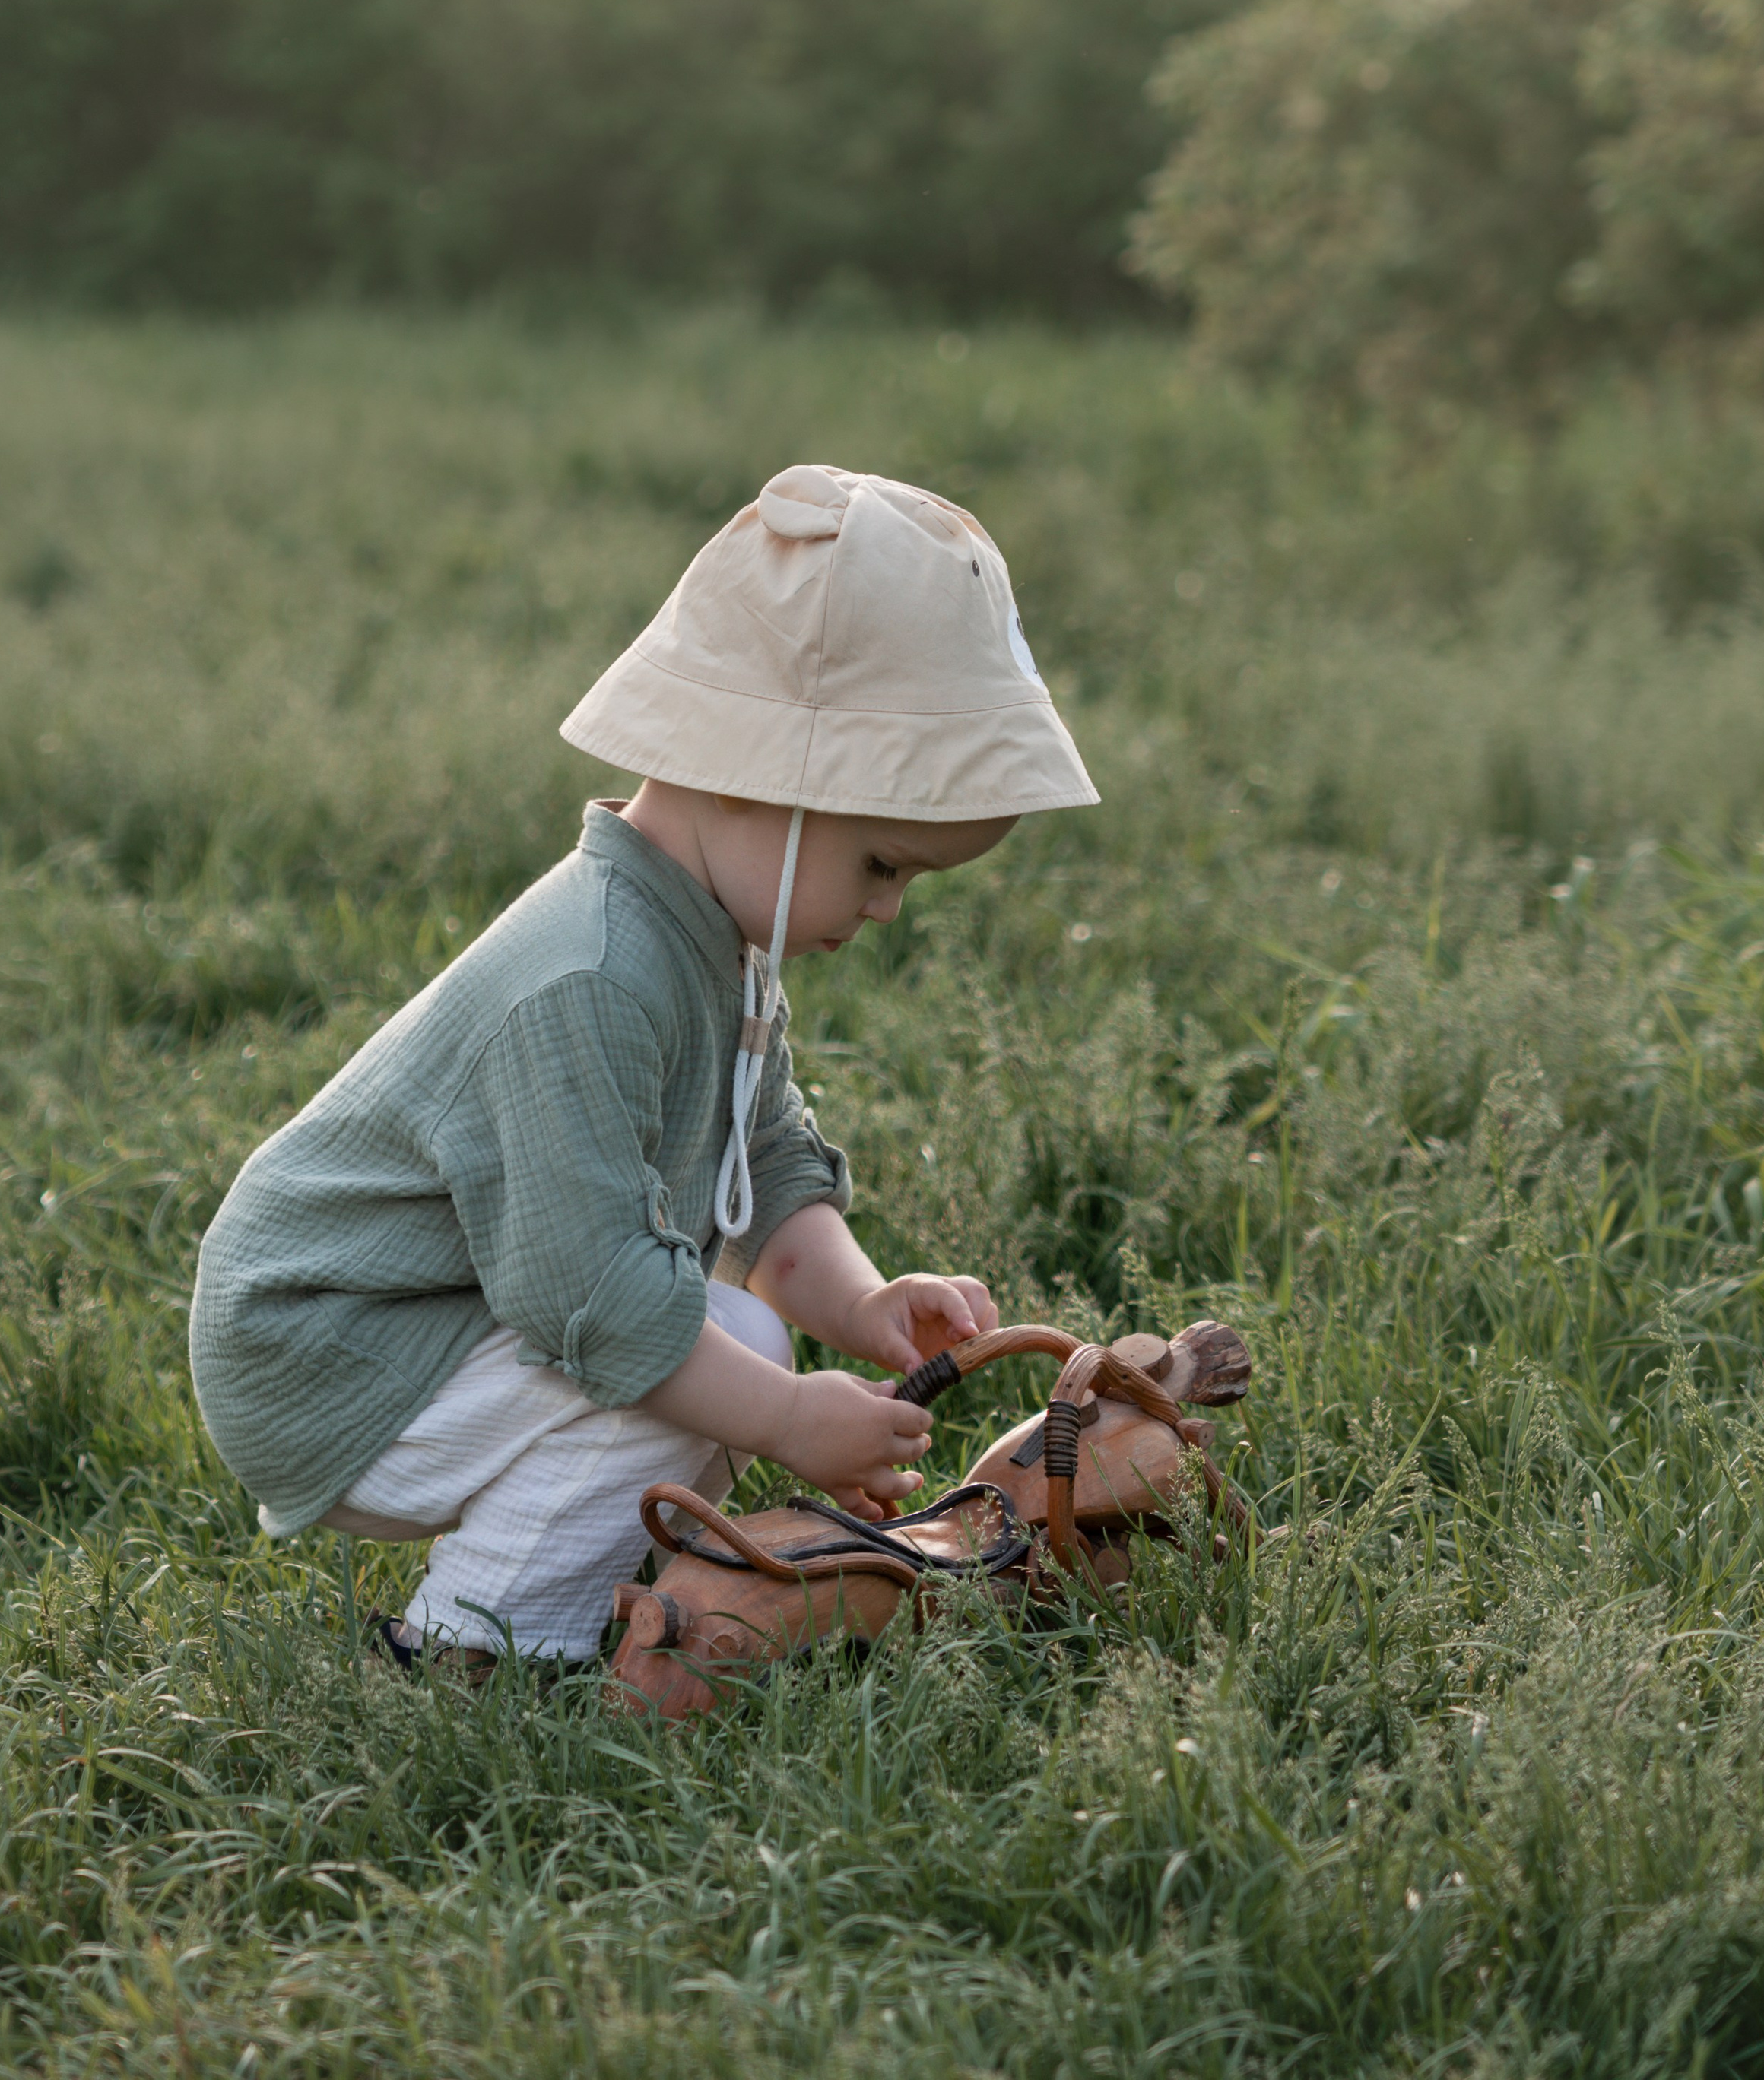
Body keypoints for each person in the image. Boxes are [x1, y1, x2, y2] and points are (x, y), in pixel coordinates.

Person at [188, 462, 1096, 1669]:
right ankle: (468, 1657)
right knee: (708, 1359)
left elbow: (766, 1175)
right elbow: (598, 1301)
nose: (886, 912)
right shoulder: (592, 975)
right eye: (882, 865)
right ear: (750, 774)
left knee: (728, 1341)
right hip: (328, 1350)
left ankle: (576, 1593)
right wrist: (781, 1420)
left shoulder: (715, 945)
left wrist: (862, 1300)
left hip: (442, 1328)